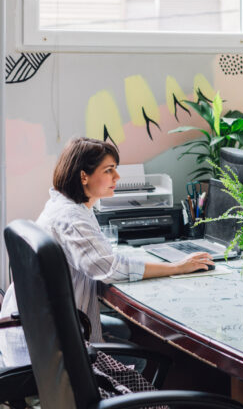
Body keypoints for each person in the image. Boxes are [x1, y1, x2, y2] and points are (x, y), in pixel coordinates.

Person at [0, 137, 214, 367]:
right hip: (44, 349)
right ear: (84, 176)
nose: (117, 178)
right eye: (109, 170)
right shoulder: (71, 218)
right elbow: (111, 268)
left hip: (36, 328)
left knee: (120, 329)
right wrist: (176, 267)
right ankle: (127, 400)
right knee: (138, 360)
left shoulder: (67, 205)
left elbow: (101, 258)